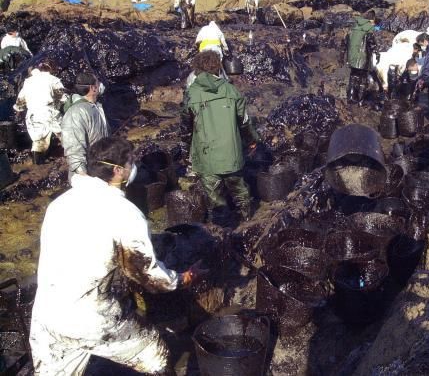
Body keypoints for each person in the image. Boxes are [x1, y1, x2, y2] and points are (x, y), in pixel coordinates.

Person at [29, 136, 208, 375]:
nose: (134, 167)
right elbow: (148, 275)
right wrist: (184, 278)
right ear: (117, 170)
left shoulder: (59, 204)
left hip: (47, 315)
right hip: (90, 317)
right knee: (154, 353)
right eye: (130, 162)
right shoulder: (124, 213)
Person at [185, 51, 259, 222]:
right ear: (218, 67)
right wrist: (253, 140)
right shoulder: (231, 90)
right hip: (231, 153)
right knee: (240, 190)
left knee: (215, 199)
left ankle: (221, 232)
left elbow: (185, 127)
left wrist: (186, 151)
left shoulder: (191, 93)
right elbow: (244, 122)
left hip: (206, 156)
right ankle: (247, 222)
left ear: (197, 68)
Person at [13, 61, 67, 165]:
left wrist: (18, 111)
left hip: (32, 114)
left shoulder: (28, 81)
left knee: (38, 141)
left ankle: (38, 164)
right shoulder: (53, 79)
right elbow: (62, 97)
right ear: (49, 69)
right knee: (64, 134)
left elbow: (20, 101)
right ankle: (70, 157)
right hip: (49, 111)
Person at [61, 73, 110, 179]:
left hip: (101, 169)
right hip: (88, 175)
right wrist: (84, 177)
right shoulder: (75, 113)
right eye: (98, 82)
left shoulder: (95, 106)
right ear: (93, 88)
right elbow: (74, 149)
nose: (100, 84)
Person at [344, 10, 380, 105]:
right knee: (363, 78)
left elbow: (346, 41)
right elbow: (371, 43)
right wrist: (377, 53)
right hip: (362, 58)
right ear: (372, 20)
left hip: (352, 57)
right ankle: (360, 100)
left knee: (353, 76)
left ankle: (351, 97)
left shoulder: (354, 27)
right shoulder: (368, 28)